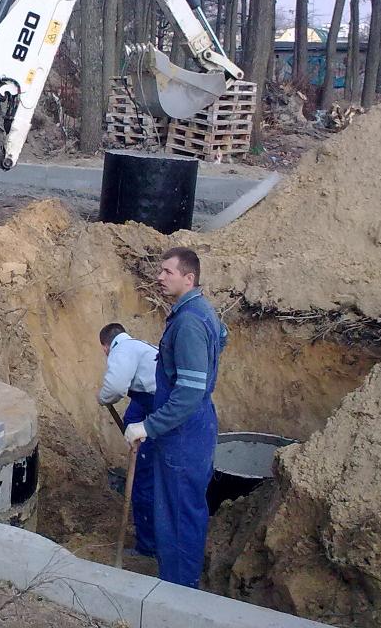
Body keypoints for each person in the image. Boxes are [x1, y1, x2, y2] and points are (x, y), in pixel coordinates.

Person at [124, 246, 227, 588]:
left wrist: (148, 425)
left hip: (184, 432)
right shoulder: (200, 311)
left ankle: (180, 594)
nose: (159, 277)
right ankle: (178, 583)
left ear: (189, 277)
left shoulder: (188, 323)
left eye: (167, 272)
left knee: (179, 515)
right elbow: (221, 339)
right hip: (192, 426)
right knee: (179, 509)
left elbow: (188, 393)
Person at [98, 322, 157, 557]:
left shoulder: (121, 349)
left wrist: (102, 397)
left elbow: (114, 387)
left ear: (105, 346)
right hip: (154, 403)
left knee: (145, 479)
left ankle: (148, 547)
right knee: (132, 417)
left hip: (159, 410)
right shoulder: (142, 347)